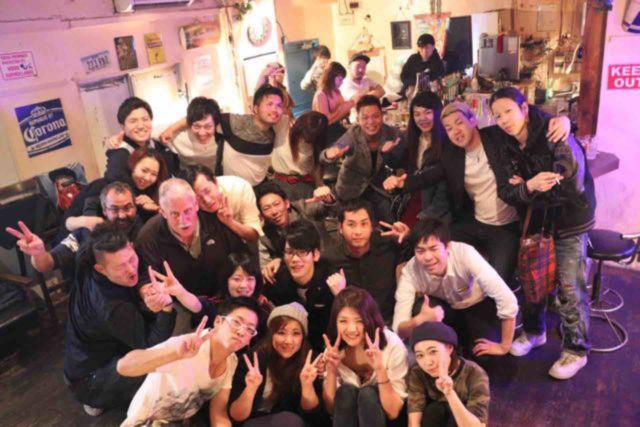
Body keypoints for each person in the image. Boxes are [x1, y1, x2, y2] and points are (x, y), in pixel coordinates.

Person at [384, 101, 570, 284]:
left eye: (459, 123)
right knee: (434, 252)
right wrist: (400, 184)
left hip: (506, 227)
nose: (455, 131)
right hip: (475, 223)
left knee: (497, 283)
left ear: (472, 120)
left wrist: (564, 121)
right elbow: (429, 176)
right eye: (449, 128)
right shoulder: (452, 155)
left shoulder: (496, 137)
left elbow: (525, 125)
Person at [489, 87, 595, 380]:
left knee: (570, 285)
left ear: (524, 109)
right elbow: (507, 191)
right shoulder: (506, 143)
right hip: (537, 219)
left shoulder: (553, 130)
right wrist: (529, 185)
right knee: (531, 278)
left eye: (509, 111)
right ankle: (536, 332)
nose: (504, 120)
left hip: (570, 219)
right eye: (497, 115)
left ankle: (576, 350)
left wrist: (529, 187)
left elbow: (571, 186)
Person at [63, 223, 176, 416]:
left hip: (84, 356)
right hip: (90, 380)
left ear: (131, 246)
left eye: (131, 259)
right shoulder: (111, 307)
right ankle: (98, 398)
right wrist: (166, 308)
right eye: (121, 266)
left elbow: (83, 232)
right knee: (165, 365)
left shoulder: (88, 254)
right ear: (101, 269)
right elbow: (151, 345)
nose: (131, 269)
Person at [119, 298, 261, 427]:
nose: (241, 332)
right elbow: (124, 367)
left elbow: (218, 413)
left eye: (249, 329)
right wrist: (175, 354)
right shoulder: (187, 345)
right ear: (218, 321)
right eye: (236, 322)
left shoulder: (231, 361)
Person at [392, 218, 518, 360]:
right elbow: (398, 329)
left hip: (477, 305)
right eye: (420, 251)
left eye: (434, 249)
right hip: (444, 311)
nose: (427, 257)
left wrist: (504, 346)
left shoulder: (465, 254)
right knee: (420, 308)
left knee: (485, 356)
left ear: (447, 247)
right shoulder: (410, 271)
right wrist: (419, 320)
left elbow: (507, 299)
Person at [135, 178, 248, 298]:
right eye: (174, 214)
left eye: (187, 211)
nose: (183, 221)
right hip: (176, 302)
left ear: (196, 205)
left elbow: (242, 257)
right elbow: (146, 280)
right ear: (162, 212)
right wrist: (152, 295)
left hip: (225, 296)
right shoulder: (148, 236)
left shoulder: (217, 220)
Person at [6, 182, 142, 276]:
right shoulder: (88, 234)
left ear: (135, 207)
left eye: (127, 207)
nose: (122, 215)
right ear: (105, 211)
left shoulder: (144, 223)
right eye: (114, 209)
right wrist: (38, 253)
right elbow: (47, 263)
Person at [160, 85, 284, 186]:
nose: (275, 110)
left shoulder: (276, 130)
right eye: (269, 104)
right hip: (229, 188)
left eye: (279, 106)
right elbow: (202, 117)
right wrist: (171, 129)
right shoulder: (235, 123)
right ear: (255, 108)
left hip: (259, 187)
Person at [323, 287, 408, 426]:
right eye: (343, 321)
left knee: (368, 394)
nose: (352, 329)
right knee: (346, 391)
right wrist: (331, 370)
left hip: (386, 420)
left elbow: (393, 412)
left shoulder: (392, 346)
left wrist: (380, 370)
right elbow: (331, 408)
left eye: (359, 321)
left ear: (370, 319)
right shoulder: (334, 349)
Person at [228, 302, 324, 426]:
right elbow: (236, 416)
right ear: (271, 334)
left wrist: (307, 385)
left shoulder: (310, 361)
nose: (288, 341)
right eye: (281, 332)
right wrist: (250, 388)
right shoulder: (252, 359)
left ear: (303, 337)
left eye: (296, 333)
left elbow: (313, 416)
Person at [323, 199, 410, 324]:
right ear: (340, 228)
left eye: (364, 224)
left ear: (372, 227)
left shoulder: (388, 246)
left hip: (388, 322)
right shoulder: (329, 258)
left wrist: (407, 237)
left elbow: (417, 256)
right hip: (352, 324)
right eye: (351, 225)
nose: (358, 232)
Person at [321, 95, 404, 223]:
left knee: (389, 222)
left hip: (377, 189)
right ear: (358, 120)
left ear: (382, 116)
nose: (371, 122)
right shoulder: (353, 135)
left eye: (375, 116)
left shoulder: (391, 133)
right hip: (350, 190)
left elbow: (400, 161)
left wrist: (390, 153)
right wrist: (329, 154)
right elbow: (330, 152)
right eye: (365, 118)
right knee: (353, 224)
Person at [265, 220, 339, 352]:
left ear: (315, 254)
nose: (295, 259)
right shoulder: (275, 280)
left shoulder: (332, 280)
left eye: (302, 252)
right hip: (289, 347)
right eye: (289, 252)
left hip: (326, 347)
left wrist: (341, 295)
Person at [408, 322, 490, 427]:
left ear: (449, 348)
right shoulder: (418, 372)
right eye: (420, 355)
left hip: (463, 421)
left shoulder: (474, 373)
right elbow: (414, 420)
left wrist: (449, 393)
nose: (428, 362)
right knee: (435, 410)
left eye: (433, 352)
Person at [399, 91, 451, 227]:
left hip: (435, 207)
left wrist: (425, 217)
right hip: (413, 198)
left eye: (428, 112)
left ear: (438, 113)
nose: (422, 118)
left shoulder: (447, 142)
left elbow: (445, 192)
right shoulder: (412, 139)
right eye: (417, 114)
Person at [255, 182, 335, 268]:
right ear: (262, 215)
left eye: (276, 204)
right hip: (297, 269)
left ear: (287, 203)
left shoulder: (302, 208)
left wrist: (328, 199)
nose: (274, 211)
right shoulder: (264, 234)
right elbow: (266, 267)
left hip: (326, 260)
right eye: (266, 208)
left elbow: (330, 209)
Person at [105, 97, 179, 185]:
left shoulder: (159, 144)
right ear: (123, 127)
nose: (140, 126)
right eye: (133, 121)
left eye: (145, 119)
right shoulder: (121, 154)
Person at [180, 165, 262, 242]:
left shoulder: (240, 188)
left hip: (241, 239)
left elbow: (254, 236)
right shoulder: (186, 204)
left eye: (207, 191)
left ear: (215, 182)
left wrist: (230, 222)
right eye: (198, 198)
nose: (207, 201)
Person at [271, 111, 329, 201]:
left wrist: (320, 188)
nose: (302, 139)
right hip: (280, 184)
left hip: (306, 186)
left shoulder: (315, 142)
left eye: (308, 139)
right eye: (300, 134)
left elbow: (317, 169)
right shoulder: (283, 124)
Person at [166, 96, 221, 171]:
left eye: (207, 126)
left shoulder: (224, 133)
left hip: (217, 176)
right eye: (196, 126)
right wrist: (171, 129)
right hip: (188, 176)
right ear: (189, 124)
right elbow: (151, 130)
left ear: (216, 124)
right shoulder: (179, 135)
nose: (202, 133)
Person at [312, 61, 354, 148]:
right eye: (340, 80)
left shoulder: (336, 91)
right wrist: (346, 106)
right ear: (331, 77)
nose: (341, 83)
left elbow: (344, 111)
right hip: (327, 132)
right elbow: (325, 120)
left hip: (337, 126)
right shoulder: (321, 94)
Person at [340, 53, 385, 122]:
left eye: (364, 67)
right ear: (349, 67)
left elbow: (382, 91)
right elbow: (360, 101)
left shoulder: (366, 79)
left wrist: (366, 95)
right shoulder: (345, 84)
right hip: (356, 121)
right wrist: (372, 92)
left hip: (372, 117)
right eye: (358, 66)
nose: (361, 70)